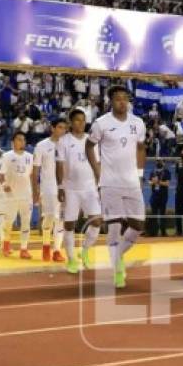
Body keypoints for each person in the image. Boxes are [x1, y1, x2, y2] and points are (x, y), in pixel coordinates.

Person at [86, 86, 147, 288]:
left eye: (125, 98)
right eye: (118, 98)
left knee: (138, 224)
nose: (122, 102)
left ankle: (117, 255)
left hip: (131, 182)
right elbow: (89, 146)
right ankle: (117, 270)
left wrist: (140, 174)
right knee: (114, 226)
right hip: (110, 182)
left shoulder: (138, 123)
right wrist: (97, 171)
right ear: (111, 101)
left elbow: (140, 147)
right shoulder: (101, 123)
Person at [58, 108, 103, 273]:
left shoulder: (92, 142)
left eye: (83, 120)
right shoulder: (64, 141)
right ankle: (71, 259)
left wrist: (100, 182)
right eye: (77, 120)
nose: (81, 123)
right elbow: (60, 165)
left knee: (97, 221)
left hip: (90, 187)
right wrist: (60, 186)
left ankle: (85, 251)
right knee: (69, 224)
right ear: (71, 122)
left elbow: (97, 163)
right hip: (71, 189)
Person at [0, 132, 36, 258]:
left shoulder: (30, 157)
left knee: (26, 222)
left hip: (26, 195)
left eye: (23, 140)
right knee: (9, 221)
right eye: (19, 139)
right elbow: (0, 175)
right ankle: (6, 245)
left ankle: (23, 249)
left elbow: (31, 176)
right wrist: (4, 185)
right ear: (13, 142)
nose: (22, 142)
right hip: (11, 195)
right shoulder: (6, 156)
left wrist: (35, 193)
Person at [33, 118, 66, 263]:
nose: (62, 130)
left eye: (64, 128)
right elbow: (35, 171)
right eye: (59, 127)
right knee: (49, 218)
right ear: (52, 128)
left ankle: (57, 250)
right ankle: (46, 247)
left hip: (63, 188)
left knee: (61, 220)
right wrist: (35, 190)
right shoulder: (41, 146)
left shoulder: (68, 146)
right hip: (47, 188)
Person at [148, 160, 171, 236]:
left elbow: (167, 183)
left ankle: (163, 231)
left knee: (162, 214)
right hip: (154, 196)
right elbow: (149, 182)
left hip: (163, 196)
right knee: (154, 214)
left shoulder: (166, 172)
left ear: (163, 163)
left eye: (160, 161)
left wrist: (158, 182)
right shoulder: (153, 172)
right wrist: (153, 182)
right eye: (157, 161)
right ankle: (153, 231)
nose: (159, 163)